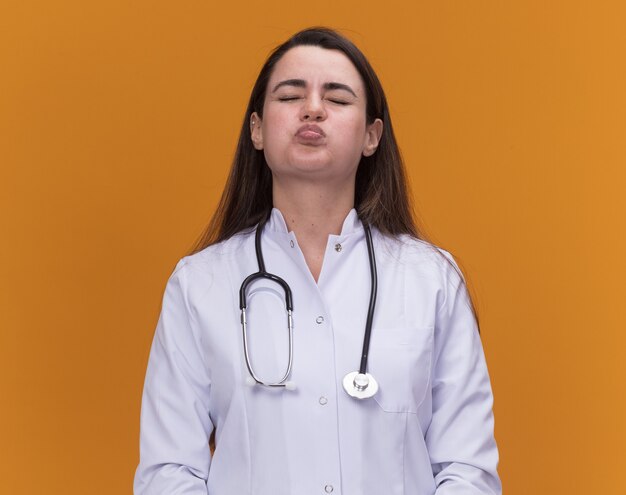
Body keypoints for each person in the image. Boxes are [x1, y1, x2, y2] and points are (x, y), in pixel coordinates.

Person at [134, 27, 502, 495]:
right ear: (258, 130)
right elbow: (168, 475)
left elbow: (467, 470)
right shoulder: (199, 285)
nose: (312, 108)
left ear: (372, 136)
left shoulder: (431, 282)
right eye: (290, 95)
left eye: (338, 98)